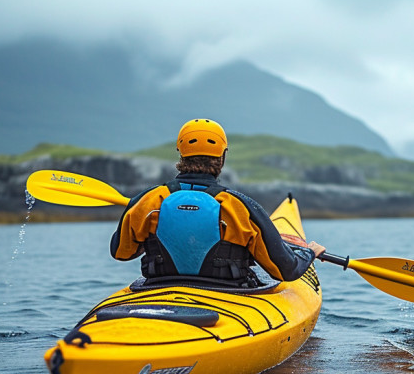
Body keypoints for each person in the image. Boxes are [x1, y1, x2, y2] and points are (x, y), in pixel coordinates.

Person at [110, 118, 324, 286]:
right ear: (222, 157)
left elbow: (121, 252)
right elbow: (285, 270)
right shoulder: (239, 207)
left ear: (181, 155)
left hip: (158, 288)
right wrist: (308, 253)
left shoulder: (148, 201)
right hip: (226, 292)